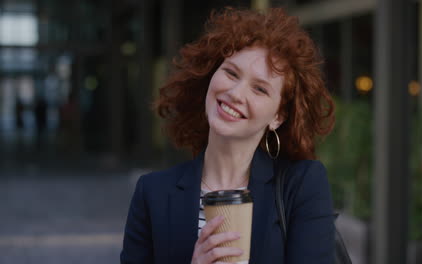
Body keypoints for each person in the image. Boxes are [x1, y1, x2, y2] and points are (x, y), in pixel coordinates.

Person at [121, 7, 335, 264]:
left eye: (259, 89)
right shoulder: (152, 192)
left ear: (278, 117)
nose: (236, 93)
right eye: (231, 73)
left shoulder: (301, 185)